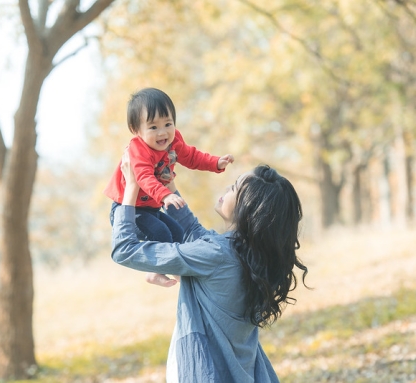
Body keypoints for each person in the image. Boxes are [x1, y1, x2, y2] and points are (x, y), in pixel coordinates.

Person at [111, 150, 308, 382]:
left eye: (235, 187)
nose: (227, 188)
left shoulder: (216, 253)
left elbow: (124, 249)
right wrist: (170, 186)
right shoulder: (247, 256)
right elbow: (194, 232)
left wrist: (131, 190)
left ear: (249, 208)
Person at [104, 87, 234, 287]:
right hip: (130, 210)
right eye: (153, 127)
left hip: (152, 208)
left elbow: (191, 156)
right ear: (136, 130)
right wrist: (165, 196)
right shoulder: (138, 150)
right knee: (161, 233)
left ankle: (177, 272)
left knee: (177, 232)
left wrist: (215, 163)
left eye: (168, 123)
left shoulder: (173, 141)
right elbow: (144, 178)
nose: (163, 132)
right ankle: (153, 272)